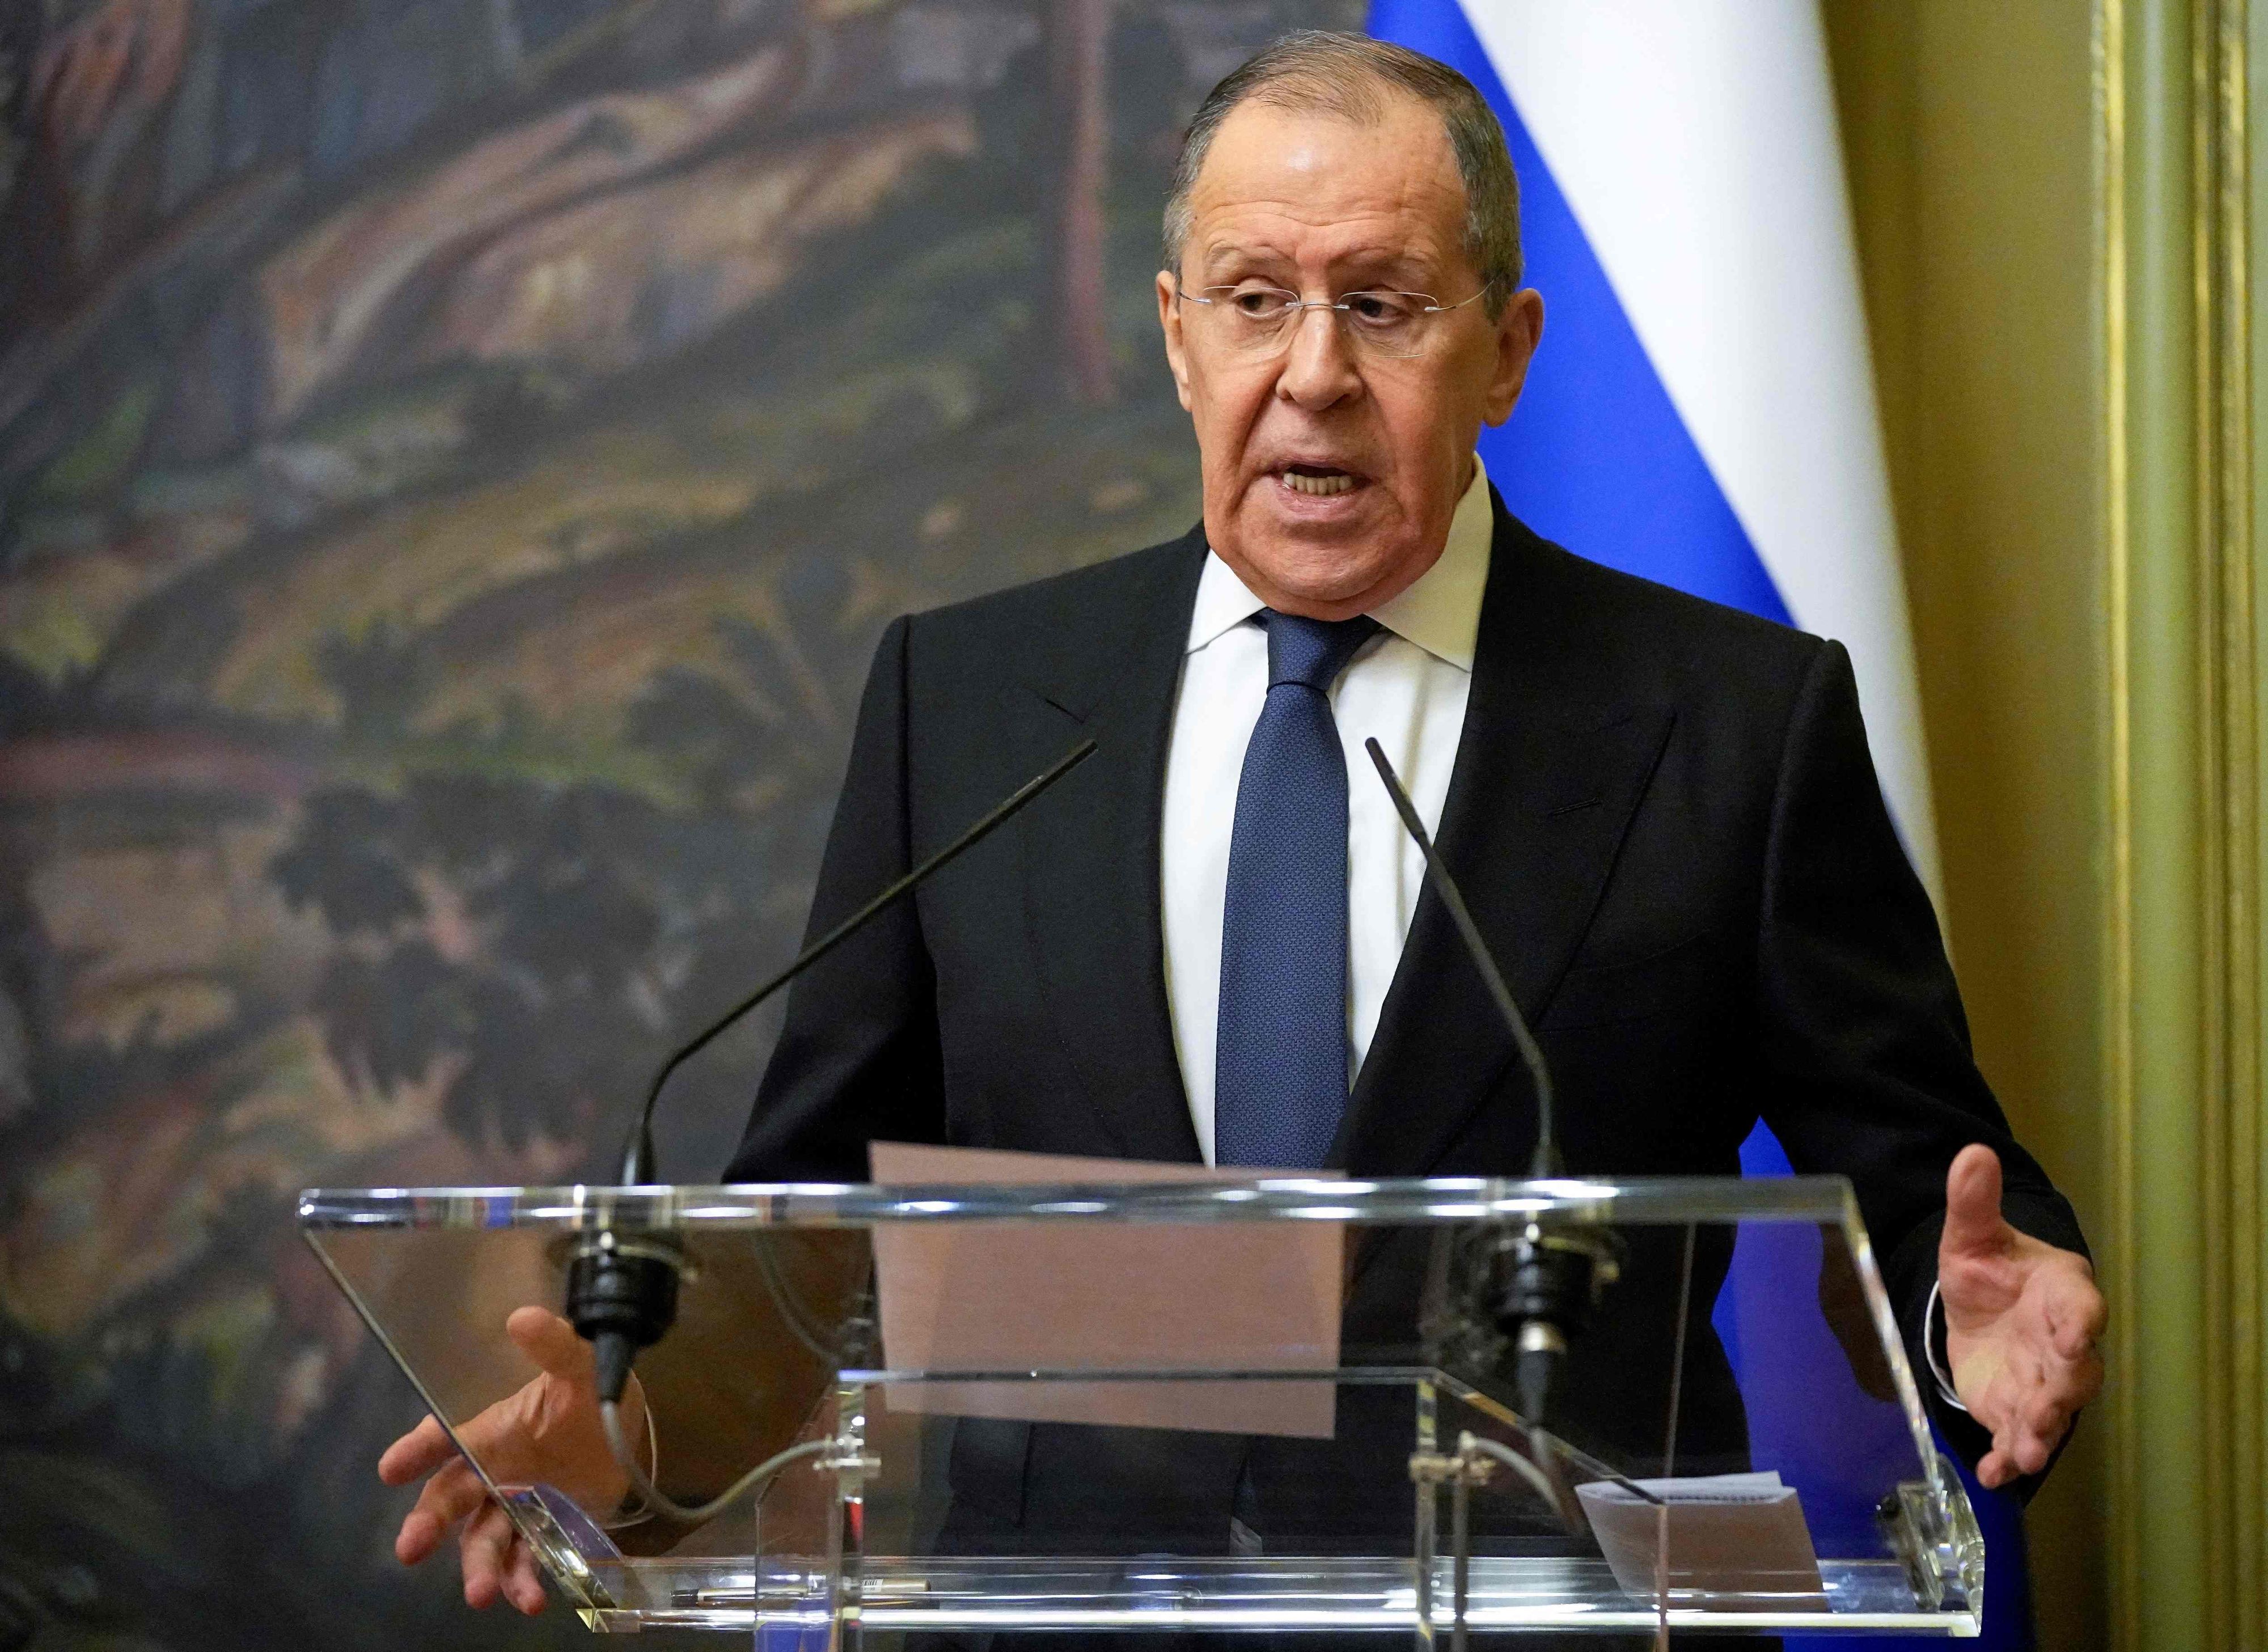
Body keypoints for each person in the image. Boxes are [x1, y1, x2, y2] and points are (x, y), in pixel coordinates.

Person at [379, 31, 2105, 1615]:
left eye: (1384, 303)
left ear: (1505, 353)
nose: (1315, 374)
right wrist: (638, 1451)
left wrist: (1975, 1328)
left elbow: (1930, 1191)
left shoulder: (1734, 722)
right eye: (1256, 298)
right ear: (1176, 337)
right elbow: (813, 1227)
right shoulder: (969, 705)